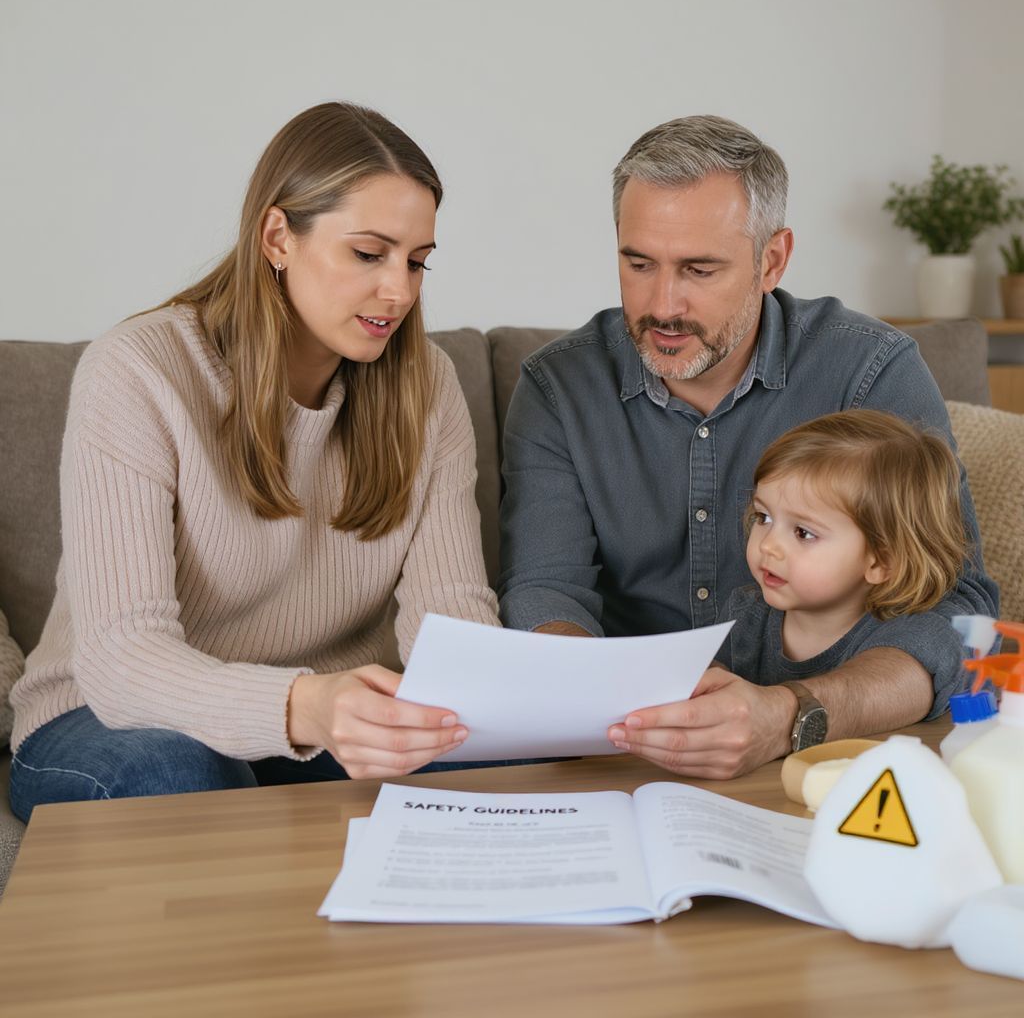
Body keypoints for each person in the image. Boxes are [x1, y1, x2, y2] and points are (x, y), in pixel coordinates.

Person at [9, 102, 499, 821]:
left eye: (417, 261)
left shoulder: (427, 386)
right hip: (110, 721)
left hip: (323, 721)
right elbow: (124, 663)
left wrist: (529, 713)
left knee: (508, 755)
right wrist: (308, 703)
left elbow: (452, 624)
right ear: (278, 236)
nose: (400, 290)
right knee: (179, 770)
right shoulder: (140, 370)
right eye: (369, 253)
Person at [498, 115, 998, 779]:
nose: (663, 304)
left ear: (772, 259)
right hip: (623, 752)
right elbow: (544, 595)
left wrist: (793, 713)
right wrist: (607, 708)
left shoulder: (871, 370)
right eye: (638, 263)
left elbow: (957, 604)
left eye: (699, 268)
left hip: (823, 747)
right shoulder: (556, 387)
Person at [715, 410, 967, 684]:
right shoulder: (743, 615)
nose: (768, 545)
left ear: (881, 563)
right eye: (764, 517)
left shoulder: (902, 642)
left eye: (803, 533)